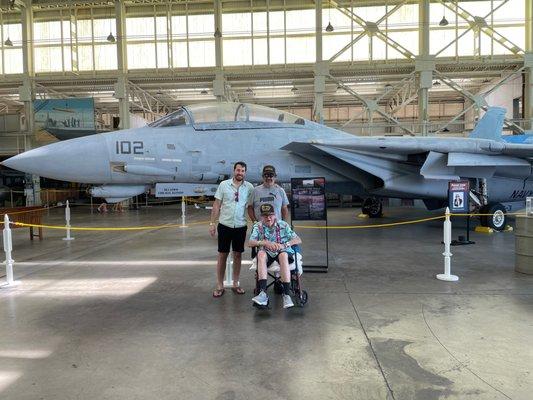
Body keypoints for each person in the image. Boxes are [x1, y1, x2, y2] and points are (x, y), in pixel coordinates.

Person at [209, 161, 254, 298]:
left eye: (242, 171)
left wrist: (256, 223)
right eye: (238, 170)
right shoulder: (224, 185)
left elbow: (251, 206)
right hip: (225, 225)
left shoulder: (249, 187)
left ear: (245, 173)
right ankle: (220, 285)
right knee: (222, 254)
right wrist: (212, 223)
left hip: (240, 226)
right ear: (234, 171)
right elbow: (217, 204)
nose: (240, 173)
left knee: (238, 254)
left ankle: (235, 283)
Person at [248, 203, 302, 309]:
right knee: (261, 253)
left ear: (275, 215)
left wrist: (284, 245)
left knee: (283, 256)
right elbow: (250, 242)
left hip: (283, 250)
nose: (268, 218)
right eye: (265, 216)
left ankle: (286, 295)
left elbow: (298, 239)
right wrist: (264, 243)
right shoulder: (258, 226)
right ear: (261, 217)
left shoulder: (283, 225)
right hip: (267, 252)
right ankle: (263, 293)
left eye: (271, 215)